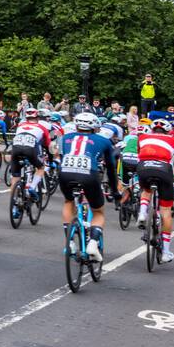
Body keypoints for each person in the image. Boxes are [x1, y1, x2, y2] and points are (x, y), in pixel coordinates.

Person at [57, 112, 120, 262]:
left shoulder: (65, 138)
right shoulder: (104, 141)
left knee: (68, 201)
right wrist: (115, 191)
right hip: (89, 174)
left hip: (65, 173)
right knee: (98, 211)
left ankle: (70, 242)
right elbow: (111, 169)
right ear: (95, 127)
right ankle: (92, 243)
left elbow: (63, 156)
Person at [135, 118, 174, 262]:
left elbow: (140, 154)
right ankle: (166, 251)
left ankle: (142, 212)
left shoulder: (143, 137)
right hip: (164, 170)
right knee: (166, 211)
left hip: (144, 167)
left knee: (146, 190)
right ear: (168, 130)